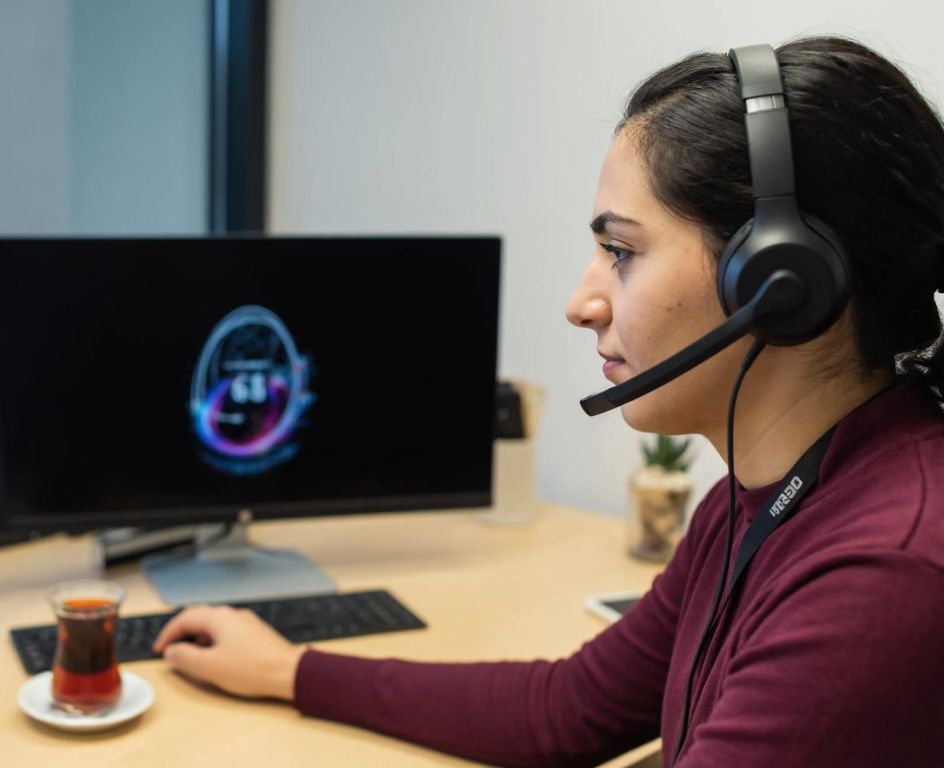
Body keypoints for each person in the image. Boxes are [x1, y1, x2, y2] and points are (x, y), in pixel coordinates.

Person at [152, 36, 944, 767]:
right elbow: (567, 709)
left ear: (781, 282)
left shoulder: (881, 577)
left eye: (620, 252)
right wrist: (287, 669)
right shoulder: (770, 498)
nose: (581, 302)